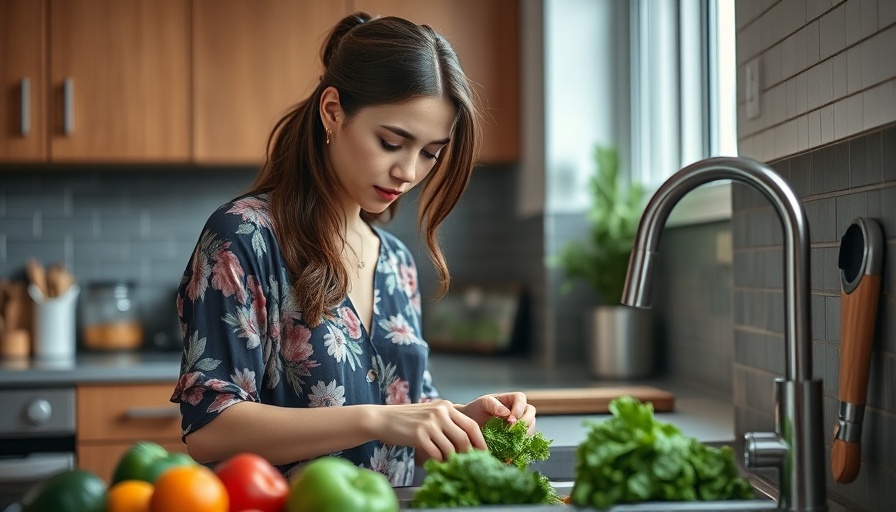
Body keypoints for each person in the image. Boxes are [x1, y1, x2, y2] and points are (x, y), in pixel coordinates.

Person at [171, 12, 536, 485]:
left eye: (430, 152)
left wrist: (462, 423)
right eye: (391, 142)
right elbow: (210, 428)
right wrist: (376, 418)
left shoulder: (398, 262)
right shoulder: (244, 237)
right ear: (332, 111)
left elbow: (405, 435)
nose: (408, 171)